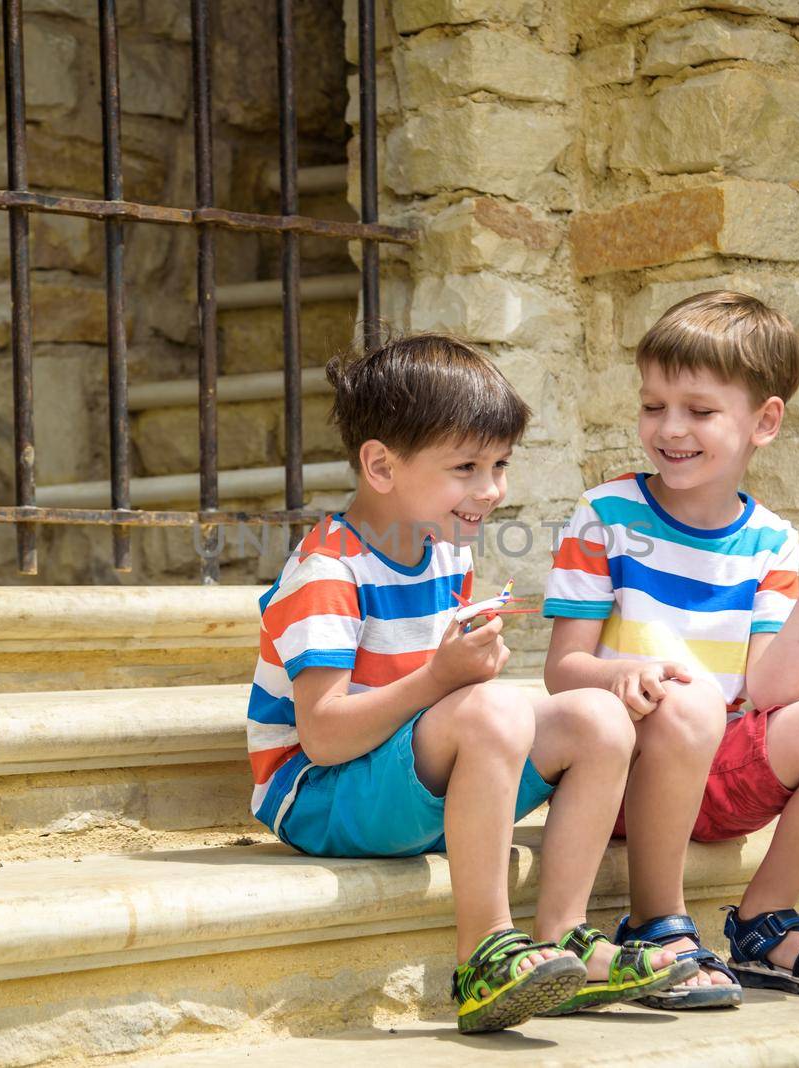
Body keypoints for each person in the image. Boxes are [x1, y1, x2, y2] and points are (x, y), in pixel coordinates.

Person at [248, 332, 693, 1033]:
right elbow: (325, 736)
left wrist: (458, 678)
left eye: (500, 464)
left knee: (600, 720)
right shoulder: (327, 573)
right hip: (323, 799)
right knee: (492, 710)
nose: (490, 490)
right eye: (466, 467)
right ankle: (482, 953)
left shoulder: (441, 552)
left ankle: (560, 937)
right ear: (380, 465)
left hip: (404, 778)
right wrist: (442, 678)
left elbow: (450, 706)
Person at [544, 291, 799, 1006]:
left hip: (721, 765)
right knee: (689, 700)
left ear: (764, 421)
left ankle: (764, 920)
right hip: (624, 774)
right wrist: (625, 673)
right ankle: (656, 922)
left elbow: (772, 693)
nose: (670, 429)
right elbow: (562, 671)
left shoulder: (770, 538)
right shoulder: (606, 515)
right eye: (654, 406)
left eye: (699, 411)